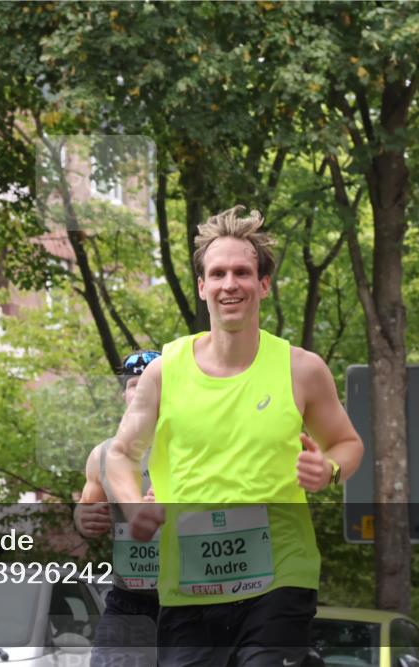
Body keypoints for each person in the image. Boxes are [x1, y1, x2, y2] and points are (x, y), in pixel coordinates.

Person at [104, 206, 364, 667]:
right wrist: (133, 503)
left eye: (242, 272)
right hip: (189, 584)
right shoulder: (165, 373)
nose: (230, 284)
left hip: (280, 576)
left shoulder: (301, 369)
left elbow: (347, 443)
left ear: (263, 284)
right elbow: (123, 453)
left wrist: (329, 468)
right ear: (202, 286)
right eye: (217, 273)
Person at [75, 349, 162, 667]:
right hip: (129, 599)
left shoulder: (196, 449)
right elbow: (86, 511)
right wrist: (83, 518)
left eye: (151, 383)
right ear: (124, 395)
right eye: (133, 385)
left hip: (192, 600)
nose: (140, 391)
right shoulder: (103, 454)